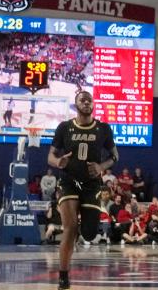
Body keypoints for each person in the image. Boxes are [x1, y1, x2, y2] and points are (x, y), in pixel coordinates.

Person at [47, 91, 118, 290]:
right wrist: (58, 162)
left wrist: (102, 167)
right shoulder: (65, 127)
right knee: (70, 228)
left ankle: (82, 230)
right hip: (69, 181)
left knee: (88, 233)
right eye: (82, 100)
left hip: (91, 184)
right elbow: (50, 156)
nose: (86, 103)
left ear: (93, 104)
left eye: (89, 100)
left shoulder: (103, 128)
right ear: (76, 104)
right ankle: (63, 276)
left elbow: (115, 156)